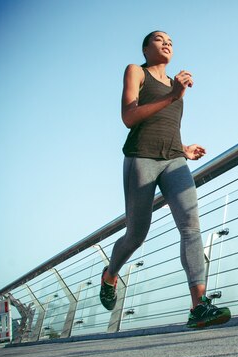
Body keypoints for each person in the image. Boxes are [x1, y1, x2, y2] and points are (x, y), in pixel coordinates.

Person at [99, 30, 230, 329]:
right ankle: (110, 274)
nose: (167, 42)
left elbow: (164, 124)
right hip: (141, 158)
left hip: (174, 159)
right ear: (145, 49)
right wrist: (173, 95)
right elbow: (129, 117)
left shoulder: (175, 84)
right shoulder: (137, 71)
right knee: (137, 233)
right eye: (159, 39)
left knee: (191, 225)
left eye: (170, 40)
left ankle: (199, 306)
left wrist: (182, 149)